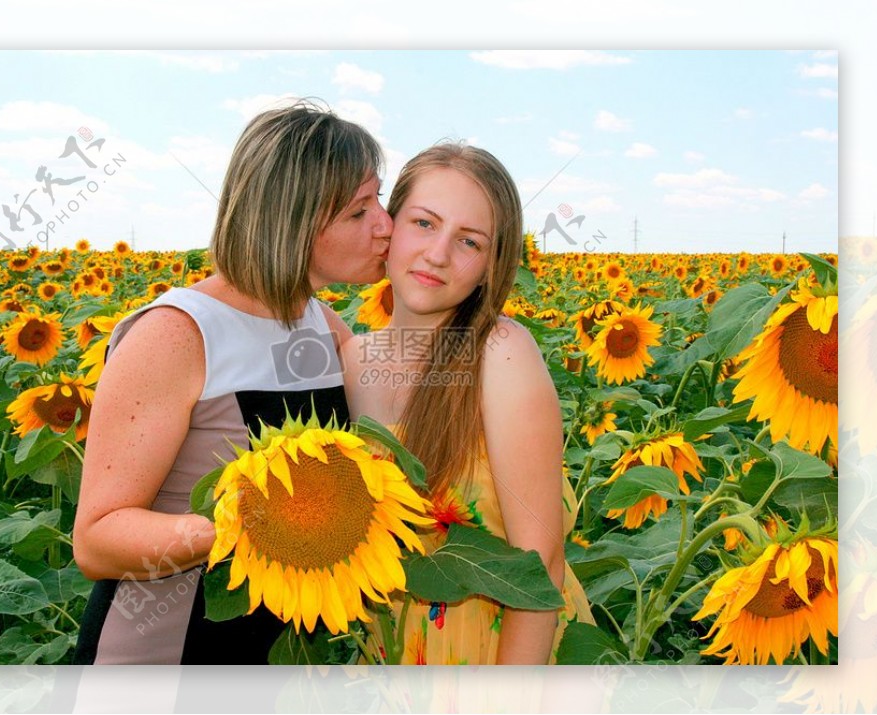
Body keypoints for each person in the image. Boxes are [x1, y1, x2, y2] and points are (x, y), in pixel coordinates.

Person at [72, 101, 392, 664]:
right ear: (291, 219)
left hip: (276, 652)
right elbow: (97, 539)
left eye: (380, 201)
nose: (383, 226)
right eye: (359, 211)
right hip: (165, 652)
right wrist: (248, 527)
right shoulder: (176, 334)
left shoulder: (321, 322)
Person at [342, 143, 565, 664]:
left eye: (468, 241)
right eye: (423, 223)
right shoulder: (351, 360)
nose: (438, 254)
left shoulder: (500, 354)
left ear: (491, 266)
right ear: (387, 226)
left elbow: (542, 563)